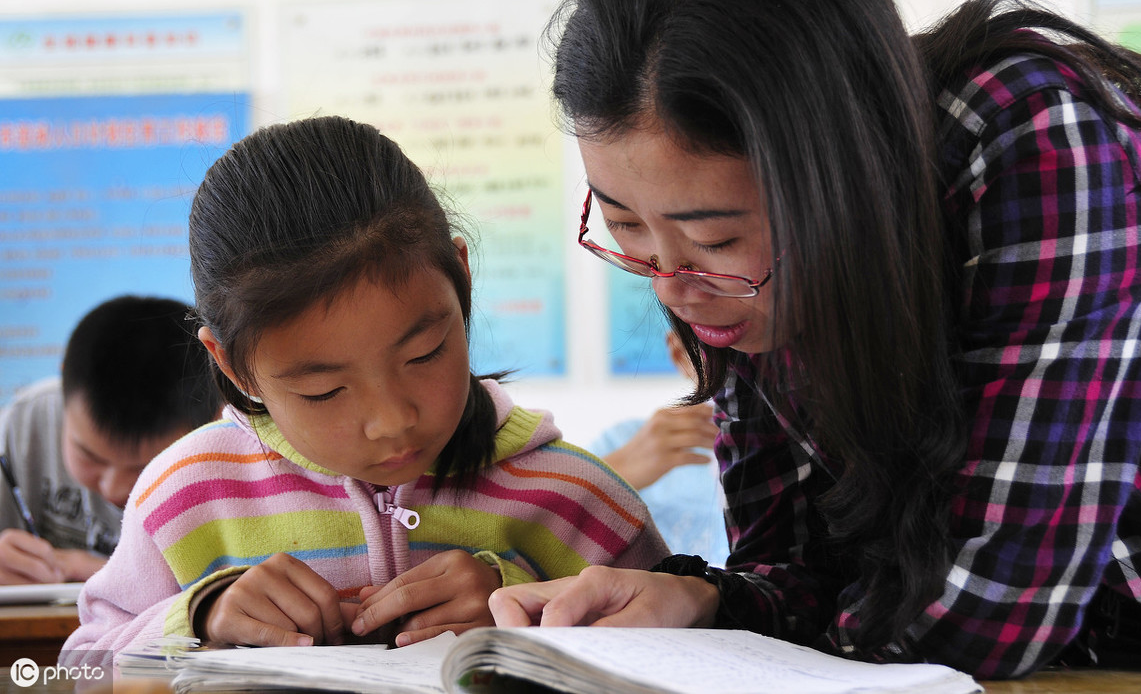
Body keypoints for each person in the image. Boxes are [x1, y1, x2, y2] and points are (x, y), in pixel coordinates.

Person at [487, 0, 1141, 680]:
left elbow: (991, 611)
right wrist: (700, 602)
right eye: (624, 225)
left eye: (717, 239)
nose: (674, 285)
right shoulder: (755, 277)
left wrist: (764, 623)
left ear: (833, 177)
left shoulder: (1038, 139)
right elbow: (794, 564)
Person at [61, 115, 668, 664]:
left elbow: (693, 652)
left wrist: (525, 608)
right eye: (324, 391)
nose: (390, 420)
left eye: (424, 354)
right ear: (234, 368)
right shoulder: (185, 498)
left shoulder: (575, 498)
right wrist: (200, 617)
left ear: (460, 281)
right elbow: (73, 669)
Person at [0, 294, 221, 585]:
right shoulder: (27, 420)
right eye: (89, 456)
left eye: (146, 468)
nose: (114, 488)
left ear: (215, 417)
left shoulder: (236, 449)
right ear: (64, 382)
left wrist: (97, 572)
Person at [591, 331, 727, 563]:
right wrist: (612, 476)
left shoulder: (800, 450)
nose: (745, 371)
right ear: (679, 354)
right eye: (720, 349)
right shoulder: (618, 444)